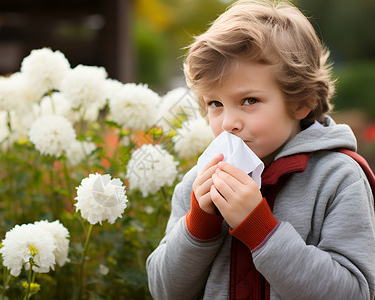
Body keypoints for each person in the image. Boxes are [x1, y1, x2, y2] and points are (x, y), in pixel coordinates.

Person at [146, 0, 375, 299]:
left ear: (301, 102)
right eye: (215, 103)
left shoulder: (338, 178)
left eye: (249, 101)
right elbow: (164, 291)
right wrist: (199, 224)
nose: (228, 123)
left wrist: (261, 229)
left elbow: (354, 293)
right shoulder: (198, 183)